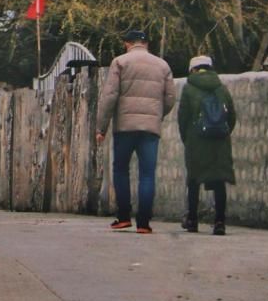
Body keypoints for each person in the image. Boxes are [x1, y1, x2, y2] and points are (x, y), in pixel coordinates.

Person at [95, 29, 176, 234]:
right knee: (147, 174)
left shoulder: (120, 62)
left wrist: (101, 128)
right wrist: (157, 115)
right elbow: (169, 99)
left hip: (124, 127)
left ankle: (123, 217)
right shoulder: (162, 65)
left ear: (127, 43)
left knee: (121, 169)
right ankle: (144, 223)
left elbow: (110, 96)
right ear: (147, 43)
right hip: (150, 128)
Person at [177, 54, 236, 236]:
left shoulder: (189, 89)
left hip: (197, 141)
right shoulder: (221, 88)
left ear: (193, 70)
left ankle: (192, 220)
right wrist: (223, 133)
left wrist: (187, 139)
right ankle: (219, 222)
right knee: (219, 181)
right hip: (220, 141)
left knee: (194, 180)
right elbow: (232, 116)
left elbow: (183, 118)